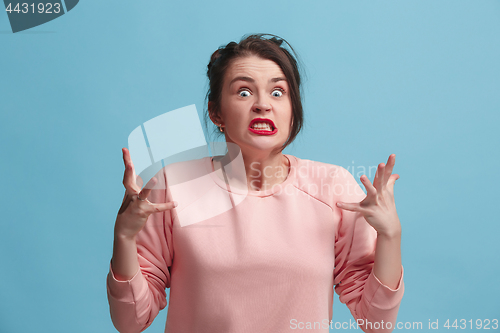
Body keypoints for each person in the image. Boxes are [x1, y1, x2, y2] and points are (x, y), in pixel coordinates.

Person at [106, 33, 404, 333]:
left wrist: (390, 235)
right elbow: (130, 322)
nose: (263, 104)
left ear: (293, 109)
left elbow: (376, 322)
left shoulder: (332, 186)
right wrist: (124, 238)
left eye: (278, 92)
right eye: (244, 92)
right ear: (216, 112)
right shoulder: (173, 186)